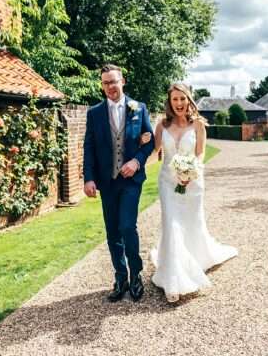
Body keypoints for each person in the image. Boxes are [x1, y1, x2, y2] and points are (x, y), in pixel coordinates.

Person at [141, 83, 237, 303]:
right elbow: (155, 151)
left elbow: (201, 153)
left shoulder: (198, 125)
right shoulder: (161, 125)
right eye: (175, 99)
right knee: (172, 225)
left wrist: (190, 172)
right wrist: (138, 154)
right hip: (167, 182)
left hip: (192, 182)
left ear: (189, 99)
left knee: (192, 223)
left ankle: (196, 259)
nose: (179, 104)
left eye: (182, 99)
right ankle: (173, 280)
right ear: (170, 102)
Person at [83, 64, 155, 302]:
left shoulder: (139, 108)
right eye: (105, 83)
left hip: (131, 181)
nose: (110, 87)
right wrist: (89, 178)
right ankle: (120, 277)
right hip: (107, 181)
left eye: (114, 82)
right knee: (112, 230)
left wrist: (136, 161)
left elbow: (149, 142)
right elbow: (89, 147)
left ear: (122, 81)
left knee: (127, 226)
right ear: (102, 85)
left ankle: (136, 276)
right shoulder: (94, 113)